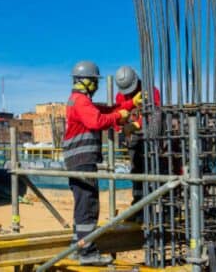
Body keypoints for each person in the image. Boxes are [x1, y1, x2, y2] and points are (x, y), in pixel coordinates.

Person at [63, 61, 138, 266]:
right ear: (85, 81)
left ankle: (77, 246)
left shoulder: (80, 100)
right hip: (82, 160)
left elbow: (108, 109)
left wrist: (130, 105)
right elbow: (96, 121)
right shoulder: (80, 101)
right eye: (94, 81)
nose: (96, 85)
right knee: (88, 204)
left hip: (79, 160)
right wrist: (118, 116)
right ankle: (86, 252)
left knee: (83, 203)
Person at [114, 66, 161, 218]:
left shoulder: (150, 91)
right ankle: (138, 205)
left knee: (153, 171)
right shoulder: (120, 96)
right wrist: (121, 126)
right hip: (133, 140)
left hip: (150, 138)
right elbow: (117, 114)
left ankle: (153, 207)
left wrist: (136, 124)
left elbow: (155, 114)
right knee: (136, 172)